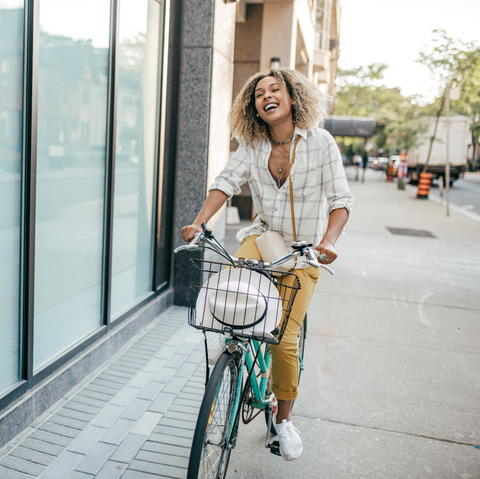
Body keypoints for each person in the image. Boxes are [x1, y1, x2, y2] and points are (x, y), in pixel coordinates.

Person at [181, 68, 354, 461]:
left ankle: (284, 420)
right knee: (226, 286)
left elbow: (341, 201)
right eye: (259, 93)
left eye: (276, 89)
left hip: (305, 250)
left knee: (284, 338)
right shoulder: (253, 144)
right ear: (253, 106)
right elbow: (226, 181)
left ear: (293, 98)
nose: (267, 95)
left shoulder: (321, 143)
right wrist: (199, 222)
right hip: (265, 239)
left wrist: (328, 242)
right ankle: (230, 342)